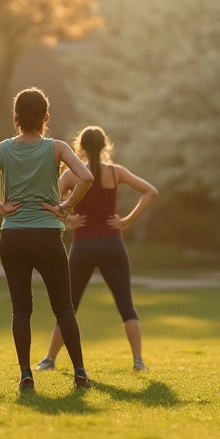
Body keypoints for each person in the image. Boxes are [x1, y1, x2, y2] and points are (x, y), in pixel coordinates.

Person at [0, 87, 94, 392]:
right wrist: (65, 208)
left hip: (12, 236)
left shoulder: (1, 149)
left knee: (21, 308)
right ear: (46, 118)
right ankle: (80, 373)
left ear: (15, 118)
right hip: (47, 234)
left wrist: (1, 206)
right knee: (64, 307)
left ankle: (26, 374)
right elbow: (86, 178)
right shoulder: (57, 147)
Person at [36, 126, 158, 373]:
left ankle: (49, 360)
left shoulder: (72, 176)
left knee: (67, 306)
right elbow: (150, 192)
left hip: (84, 246)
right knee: (126, 305)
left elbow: (46, 202)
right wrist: (126, 221)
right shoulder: (115, 173)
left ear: (79, 147)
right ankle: (138, 361)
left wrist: (67, 220)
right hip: (113, 244)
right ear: (105, 146)